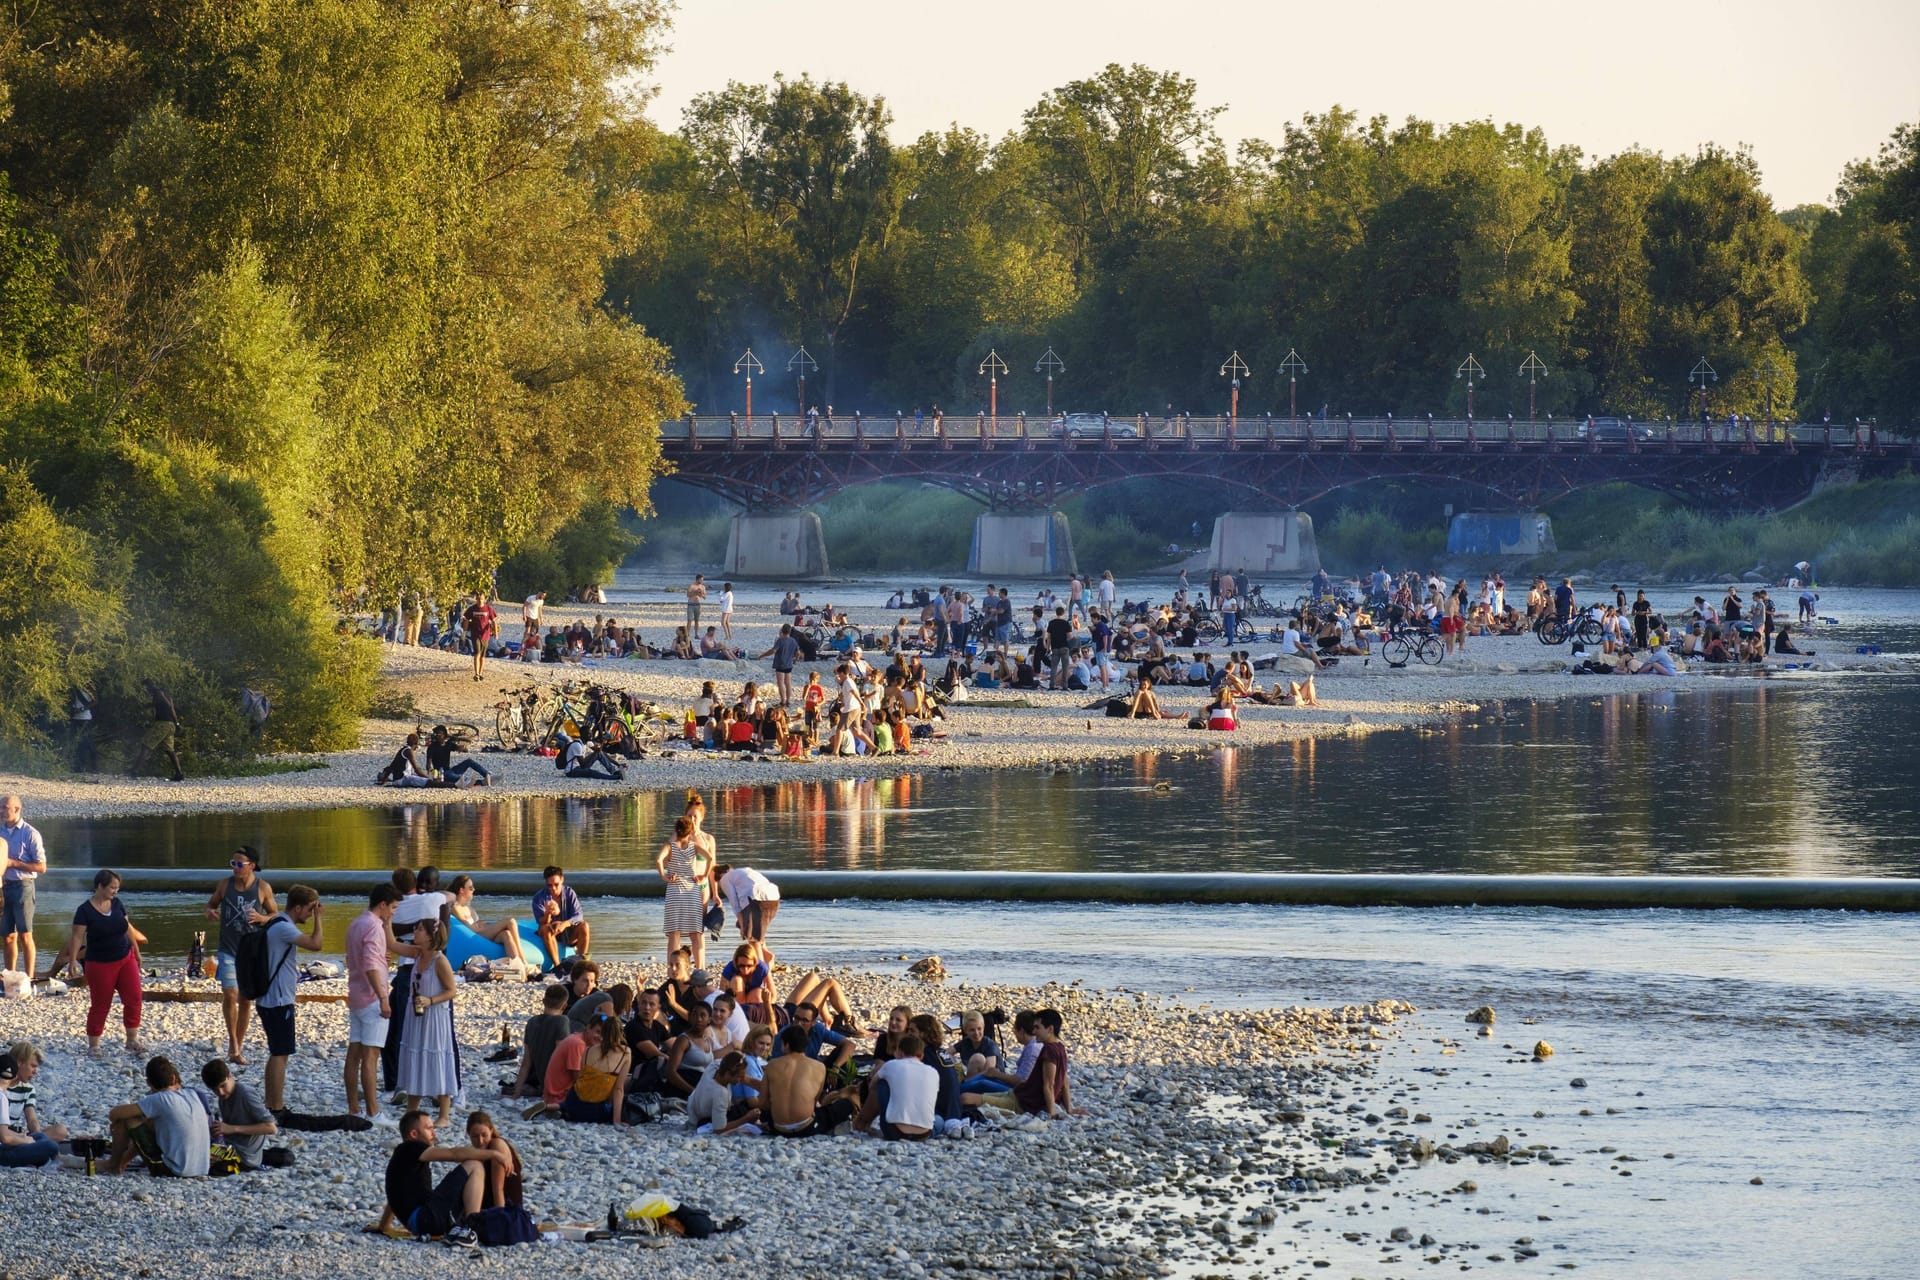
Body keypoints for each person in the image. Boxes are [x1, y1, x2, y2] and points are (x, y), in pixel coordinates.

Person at [373, 1111, 508, 1248]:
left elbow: (395, 1193)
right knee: (475, 1165)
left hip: (420, 1222)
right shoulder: (411, 1147)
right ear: (414, 1134)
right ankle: (471, 1229)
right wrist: (494, 1154)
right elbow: (453, 1154)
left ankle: (467, 1226)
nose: (434, 1133)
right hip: (425, 1219)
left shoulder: (403, 1157)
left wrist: (383, 1226)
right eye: (429, 1128)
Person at [55, 869, 149, 1058]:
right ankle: (94, 1045)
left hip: (125, 957)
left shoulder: (117, 904)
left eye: (117, 888)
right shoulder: (84, 911)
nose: (115, 891)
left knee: (134, 997)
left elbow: (127, 928)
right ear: (99, 886)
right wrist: (72, 960)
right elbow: (76, 937)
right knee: (101, 1004)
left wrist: (136, 952)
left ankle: (132, 1040)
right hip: (99, 963)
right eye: (112, 887)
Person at [204, 845, 276, 1065]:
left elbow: (275, 914)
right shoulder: (225, 885)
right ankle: (233, 1044)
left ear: (251, 866)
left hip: (251, 950)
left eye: (239, 864)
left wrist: (262, 919)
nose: (235, 868)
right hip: (228, 948)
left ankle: (238, 1046)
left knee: (245, 999)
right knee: (231, 993)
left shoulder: (262, 888)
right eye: (232, 863)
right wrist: (210, 911)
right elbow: (211, 904)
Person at [255, 885, 324, 1113]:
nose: (311, 913)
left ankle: (270, 1101)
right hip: (278, 1000)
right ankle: (275, 1105)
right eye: (310, 909)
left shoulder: (275, 922)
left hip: (269, 997)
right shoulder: (284, 927)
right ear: (298, 907)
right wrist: (319, 920)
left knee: (277, 1051)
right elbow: (316, 945)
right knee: (280, 1053)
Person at [346, 884, 406, 1126]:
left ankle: (354, 1108)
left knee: (354, 1054)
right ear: (382, 904)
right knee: (370, 1057)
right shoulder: (373, 926)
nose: (393, 913)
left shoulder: (357, 923)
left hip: (356, 995)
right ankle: (373, 1111)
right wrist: (383, 998)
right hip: (372, 998)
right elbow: (370, 965)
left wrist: (381, 958)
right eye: (392, 907)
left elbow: (358, 957)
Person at [397, 919, 459, 1126]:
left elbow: (452, 991)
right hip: (416, 1015)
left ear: (431, 936)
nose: (415, 931)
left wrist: (430, 1000)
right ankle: (411, 1109)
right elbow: (392, 944)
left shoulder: (440, 961)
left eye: (420, 929)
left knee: (437, 1057)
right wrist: (386, 921)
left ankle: (444, 1115)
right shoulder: (417, 954)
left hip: (434, 1016)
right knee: (415, 1055)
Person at [108, 1055, 210, 1176]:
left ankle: (113, 1165)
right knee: (151, 1120)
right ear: (173, 1078)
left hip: (175, 1171)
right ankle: (122, 1162)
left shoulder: (160, 1098)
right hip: (203, 1169)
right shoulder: (192, 1093)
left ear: (149, 1083)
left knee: (128, 1120)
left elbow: (114, 1114)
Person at [762, 1025, 858, 1137]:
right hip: (806, 1128)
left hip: (777, 1128)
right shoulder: (819, 1067)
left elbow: (763, 1102)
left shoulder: (772, 1065)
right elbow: (814, 1100)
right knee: (846, 1105)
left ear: (786, 1045)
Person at [198, 1060, 277, 1170]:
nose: (220, 1092)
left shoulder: (246, 1094)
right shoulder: (224, 1097)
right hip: (230, 1146)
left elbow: (271, 1128)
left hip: (244, 1156)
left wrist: (232, 1129)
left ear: (230, 1075)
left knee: (201, 1162)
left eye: (223, 1086)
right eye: (215, 1090)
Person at [856, 1032, 937, 1140]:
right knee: (939, 1121)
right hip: (925, 1133)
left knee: (882, 1084)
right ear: (921, 1056)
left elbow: (872, 1086)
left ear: (899, 1053)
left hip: (895, 1132)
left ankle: (861, 1122)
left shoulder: (891, 1065)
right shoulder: (933, 1072)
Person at [555, 1014, 630, 1127]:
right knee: (625, 1101)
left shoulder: (588, 1050)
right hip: (595, 1111)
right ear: (620, 1033)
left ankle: (554, 1107)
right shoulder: (625, 1053)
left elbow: (581, 1080)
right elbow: (618, 1089)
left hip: (573, 1102)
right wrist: (617, 1121)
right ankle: (557, 1107)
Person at [1, 795, 45, 979]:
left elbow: (41, 867)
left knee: (25, 934)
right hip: (3, 887)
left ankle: (29, 977)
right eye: (0, 807)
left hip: (23, 886)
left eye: (4, 807)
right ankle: (10, 976)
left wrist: (12, 863)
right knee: (7, 936)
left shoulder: (30, 833)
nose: (1, 811)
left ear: (17, 809)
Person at [657, 817, 708, 970]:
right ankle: (700, 969)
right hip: (691, 890)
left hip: (674, 889)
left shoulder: (670, 846)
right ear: (691, 831)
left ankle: (672, 968)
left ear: (676, 830)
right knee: (696, 933)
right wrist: (704, 875)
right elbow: (710, 858)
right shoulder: (694, 846)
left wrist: (664, 876)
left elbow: (659, 860)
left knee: (674, 933)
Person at [1014, 1008, 1082, 1120]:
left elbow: (1049, 1084)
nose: (1034, 1032)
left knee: (978, 1095)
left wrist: (1052, 1113)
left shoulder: (1049, 1050)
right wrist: (1069, 1109)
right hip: (1022, 1096)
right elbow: (1064, 1080)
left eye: (1037, 1028)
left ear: (1050, 1029)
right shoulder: (1060, 1047)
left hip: (1022, 1102)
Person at [511, 984, 574, 1104]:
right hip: (554, 1086)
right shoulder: (562, 1021)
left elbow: (526, 1063)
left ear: (543, 1001)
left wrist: (516, 1093)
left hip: (539, 1082)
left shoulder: (532, 1022)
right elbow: (560, 1058)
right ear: (565, 1005)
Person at [446, 874, 527, 965]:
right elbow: (470, 927)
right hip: (476, 935)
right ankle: (523, 959)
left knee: (506, 934)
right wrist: (479, 926)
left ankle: (517, 965)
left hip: (482, 931)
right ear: (461, 890)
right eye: (471, 888)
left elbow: (475, 923)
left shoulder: (468, 907)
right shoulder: (456, 907)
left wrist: (481, 924)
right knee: (511, 921)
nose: (474, 890)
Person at [0, 1052, 59, 1168]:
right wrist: (25, 1141)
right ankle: (44, 1160)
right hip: (2, 1152)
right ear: (14, 1075)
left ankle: (40, 1158)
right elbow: (5, 1138)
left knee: (39, 1137)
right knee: (51, 1146)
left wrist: (21, 1137)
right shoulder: (2, 1097)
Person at [3, 1040, 67, 1144]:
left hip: (15, 1135)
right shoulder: (2, 1085)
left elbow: (32, 1120)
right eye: (33, 1066)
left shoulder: (28, 1089)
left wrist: (38, 1137)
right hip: (5, 1135)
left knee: (60, 1130)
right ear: (19, 1063)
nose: (35, 1071)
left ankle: (33, 1146)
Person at [687, 1050, 760, 1136]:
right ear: (728, 1074)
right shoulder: (721, 1093)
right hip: (704, 1120)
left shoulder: (715, 1065)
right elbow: (719, 1129)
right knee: (746, 1110)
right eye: (739, 1077)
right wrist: (747, 1118)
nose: (741, 1080)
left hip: (695, 1110)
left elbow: (732, 1062)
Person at [531, 864, 590, 968]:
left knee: (584, 925)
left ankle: (581, 962)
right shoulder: (539, 897)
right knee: (545, 928)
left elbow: (579, 915)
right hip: (550, 931)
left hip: (567, 931)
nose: (553, 888)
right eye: (549, 885)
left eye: (556, 884)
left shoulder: (569, 893)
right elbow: (541, 921)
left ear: (562, 880)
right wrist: (548, 913)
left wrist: (565, 924)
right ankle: (557, 965)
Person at [128, 679, 186, 781]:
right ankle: (179, 774)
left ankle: (134, 771)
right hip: (170, 725)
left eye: (145, 688)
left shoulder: (158, 692)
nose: (145, 690)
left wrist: (150, 704)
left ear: (148, 686)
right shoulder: (165, 693)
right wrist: (176, 724)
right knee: (170, 751)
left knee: (146, 745)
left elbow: (169, 706)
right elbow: (171, 708)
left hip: (162, 724)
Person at [465, 1112, 522, 1210]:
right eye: (475, 1136)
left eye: (484, 1135)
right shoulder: (480, 1152)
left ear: (491, 1131)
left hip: (507, 1210)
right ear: (468, 1135)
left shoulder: (497, 1145)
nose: (480, 1141)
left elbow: (498, 1190)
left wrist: (499, 1218)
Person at [714, 862, 780, 947]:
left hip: (756, 897)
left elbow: (735, 904)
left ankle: (760, 959)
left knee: (752, 937)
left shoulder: (724, 879)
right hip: (773, 896)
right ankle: (767, 956)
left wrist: (743, 926)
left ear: (719, 876)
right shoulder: (745, 870)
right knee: (757, 932)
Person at [425, 725, 491, 787]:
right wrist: (432, 775)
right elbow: (428, 764)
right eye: (436, 734)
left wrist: (462, 748)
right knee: (457, 778)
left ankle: (487, 775)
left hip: (450, 771)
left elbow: (464, 750)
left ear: (444, 736)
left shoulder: (448, 744)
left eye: (439, 734)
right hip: (441, 775)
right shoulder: (432, 747)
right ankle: (480, 782)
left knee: (469, 761)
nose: (437, 736)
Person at [758, 624, 801, 708]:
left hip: (780, 663)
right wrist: (795, 660)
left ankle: (783, 701)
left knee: (780, 682)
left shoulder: (780, 640)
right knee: (788, 683)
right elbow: (798, 652)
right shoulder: (793, 640)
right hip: (789, 664)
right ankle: (788, 701)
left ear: (782, 631)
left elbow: (773, 650)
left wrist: (762, 655)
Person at [463, 591, 497, 681]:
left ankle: (481, 672)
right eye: (478, 599)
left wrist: (495, 633)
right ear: (476, 599)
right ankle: (476, 673)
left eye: (481, 599)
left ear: (484, 599)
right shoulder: (472, 609)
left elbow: (494, 621)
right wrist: (464, 632)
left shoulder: (488, 609)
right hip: (475, 634)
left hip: (485, 635)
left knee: (482, 655)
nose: (479, 601)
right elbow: (466, 619)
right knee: (477, 653)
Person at [520, 591, 545, 661]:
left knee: (536, 633)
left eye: (544, 596)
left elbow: (540, 610)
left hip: (535, 617)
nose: (543, 597)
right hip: (529, 616)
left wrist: (541, 619)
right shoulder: (531, 598)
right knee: (527, 631)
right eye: (542, 595)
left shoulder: (541, 601)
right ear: (539, 593)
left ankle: (537, 648)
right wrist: (524, 615)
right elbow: (524, 606)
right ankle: (523, 645)